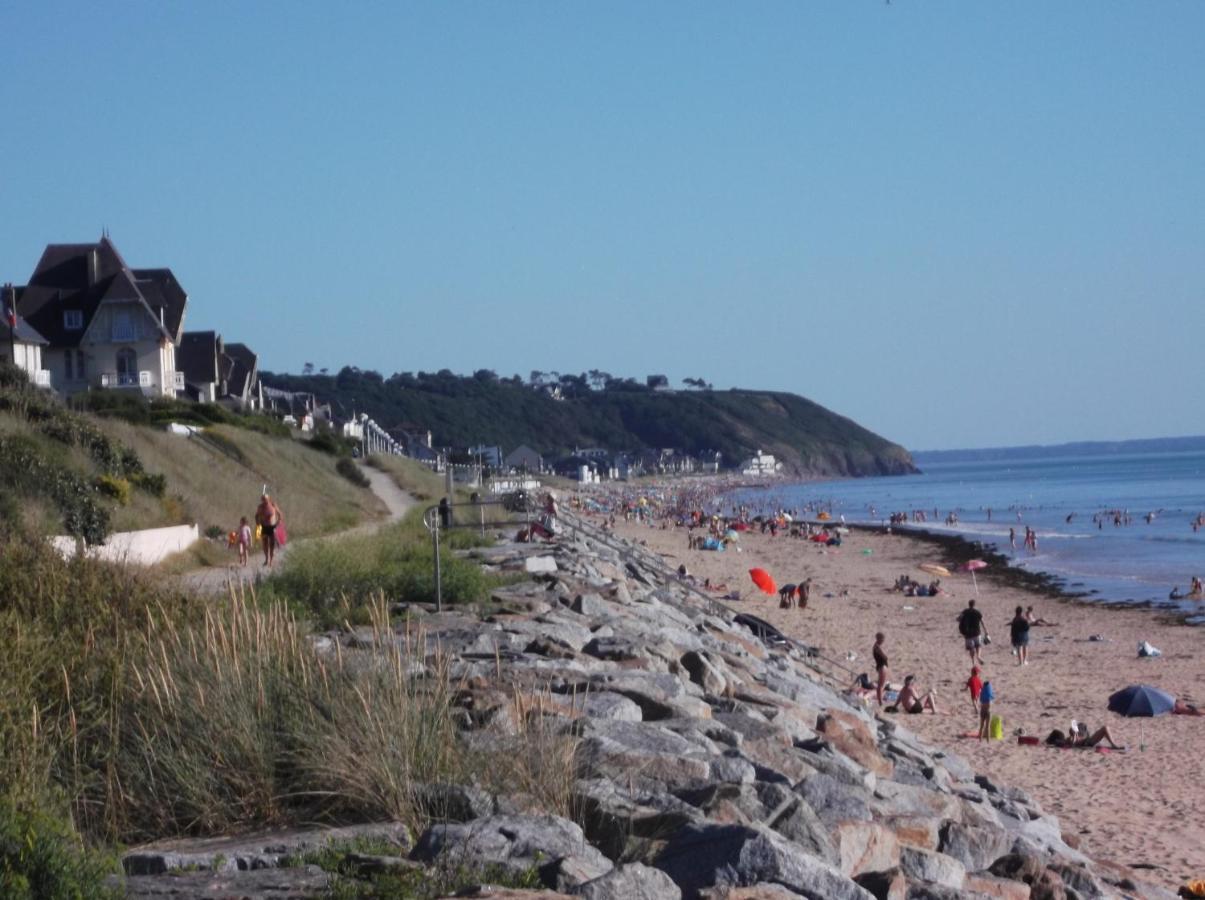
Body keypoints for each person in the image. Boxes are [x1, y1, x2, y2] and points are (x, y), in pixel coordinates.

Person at [957, 599, 989, 666]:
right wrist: (986, 631)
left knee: (971, 648)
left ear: (969, 604)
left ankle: (973, 662)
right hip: (977, 632)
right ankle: (979, 657)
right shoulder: (977, 612)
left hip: (968, 633)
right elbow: (982, 622)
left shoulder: (965, 611)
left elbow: (958, 619)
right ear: (974, 605)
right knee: (978, 646)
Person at [255, 493, 283, 568]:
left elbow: (280, 514)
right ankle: (266, 559)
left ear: (268, 499)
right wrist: (258, 525)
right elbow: (256, 516)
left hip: (272, 526)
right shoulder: (260, 507)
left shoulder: (273, 505)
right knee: (265, 544)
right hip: (263, 526)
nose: (264, 501)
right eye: (263, 499)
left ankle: (271, 560)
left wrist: (279, 522)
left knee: (272, 544)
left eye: (265, 499)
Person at [873, 632, 889, 706]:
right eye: (882, 639)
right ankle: (880, 702)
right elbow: (884, 656)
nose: (883, 641)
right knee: (881, 685)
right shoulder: (877, 647)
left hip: (882, 665)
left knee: (882, 684)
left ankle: (880, 700)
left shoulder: (877, 646)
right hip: (881, 666)